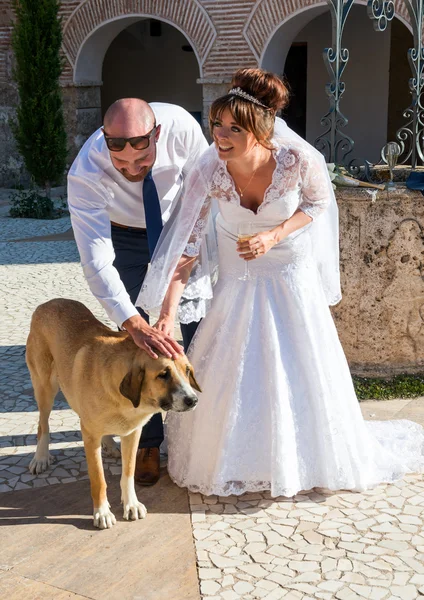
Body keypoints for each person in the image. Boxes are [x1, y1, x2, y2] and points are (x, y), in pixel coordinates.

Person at [136, 69, 424, 497]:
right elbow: (188, 248)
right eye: (216, 124)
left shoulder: (296, 159)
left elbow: (318, 201)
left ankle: (301, 459)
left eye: (234, 128)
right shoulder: (208, 170)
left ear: (261, 130)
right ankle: (239, 459)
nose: (220, 135)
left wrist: (275, 234)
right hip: (238, 281)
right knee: (236, 370)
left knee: (298, 367)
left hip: (290, 273)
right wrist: (165, 313)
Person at [67, 99, 209, 486]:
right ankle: (145, 439)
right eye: (121, 164)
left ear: (157, 135)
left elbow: (203, 198)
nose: (132, 170)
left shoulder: (181, 127)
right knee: (137, 343)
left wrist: (174, 298)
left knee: (203, 328)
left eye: (142, 162)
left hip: (181, 227)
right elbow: (96, 259)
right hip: (124, 235)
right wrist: (133, 322)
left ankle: (209, 435)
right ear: (105, 139)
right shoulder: (85, 170)